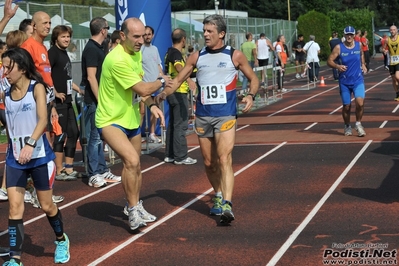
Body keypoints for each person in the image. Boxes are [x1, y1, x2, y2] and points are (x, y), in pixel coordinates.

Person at [156, 14, 259, 224]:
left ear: (221, 34)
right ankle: (219, 195)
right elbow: (177, 80)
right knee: (210, 163)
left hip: (226, 115)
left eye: (209, 31)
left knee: (224, 158)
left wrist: (250, 95)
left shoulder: (234, 55)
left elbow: (253, 78)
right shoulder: (196, 57)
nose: (205, 34)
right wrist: (162, 94)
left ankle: (227, 204)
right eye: (204, 31)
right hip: (203, 116)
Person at [95, 18, 171, 230]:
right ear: (122, 36)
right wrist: (163, 80)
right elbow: (144, 88)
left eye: (142, 35)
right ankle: (132, 210)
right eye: (135, 37)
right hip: (110, 119)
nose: (140, 40)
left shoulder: (136, 54)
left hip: (130, 118)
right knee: (130, 161)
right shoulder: (116, 59)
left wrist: (151, 106)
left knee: (136, 166)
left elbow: (138, 92)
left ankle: (135, 205)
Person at [1, 47, 70, 266]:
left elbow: (43, 120)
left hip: (39, 156)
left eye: (7, 67)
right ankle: (15, 259)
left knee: (47, 205)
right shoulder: (5, 92)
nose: (4, 72)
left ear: (21, 67)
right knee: (14, 208)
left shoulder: (37, 88)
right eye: (2, 67)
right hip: (14, 160)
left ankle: (61, 240)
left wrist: (30, 143)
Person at [20, 11, 65, 207]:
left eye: (49, 23)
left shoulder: (42, 47)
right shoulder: (28, 47)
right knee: (42, 150)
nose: (48, 26)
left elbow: (46, 78)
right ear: (34, 25)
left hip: (46, 102)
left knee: (43, 149)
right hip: (34, 105)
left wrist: (52, 104)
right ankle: (39, 193)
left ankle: (36, 191)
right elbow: (27, 77)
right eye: (44, 23)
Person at [81, 17, 121, 187]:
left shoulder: (98, 48)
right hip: (93, 100)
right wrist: (101, 100)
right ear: (103, 30)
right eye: (107, 28)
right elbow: (91, 77)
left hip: (99, 100)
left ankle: (102, 169)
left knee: (99, 137)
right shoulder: (91, 49)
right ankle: (93, 173)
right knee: (93, 138)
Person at [49, 25, 83, 181]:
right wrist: (54, 92)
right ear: (56, 38)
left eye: (68, 36)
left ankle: (69, 168)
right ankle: (59, 169)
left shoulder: (64, 53)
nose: (66, 39)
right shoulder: (52, 53)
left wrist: (79, 89)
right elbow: (45, 75)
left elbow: (67, 77)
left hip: (68, 100)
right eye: (63, 36)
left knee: (74, 133)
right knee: (60, 135)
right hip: (58, 102)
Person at [164, 28, 197, 165]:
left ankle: (170, 154)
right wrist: (188, 80)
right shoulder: (175, 53)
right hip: (178, 91)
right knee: (181, 124)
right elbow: (179, 68)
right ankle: (181, 156)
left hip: (173, 91)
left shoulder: (170, 52)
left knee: (173, 124)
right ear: (183, 39)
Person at [327, 26, 367, 137]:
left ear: (354, 35)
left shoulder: (358, 45)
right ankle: (347, 125)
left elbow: (361, 54)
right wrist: (337, 66)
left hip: (358, 80)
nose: (349, 36)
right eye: (347, 34)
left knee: (360, 103)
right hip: (344, 82)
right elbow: (329, 61)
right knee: (347, 106)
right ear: (344, 35)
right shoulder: (339, 48)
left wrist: (363, 64)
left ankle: (358, 124)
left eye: (351, 34)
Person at [141, 25, 163, 144]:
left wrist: (162, 76)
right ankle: (137, 134)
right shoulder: (140, 50)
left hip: (155, 85)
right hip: (144, 86)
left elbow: (158, 64)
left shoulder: (155, 49)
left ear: (152, 35)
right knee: (142, 112)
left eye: (149, 34)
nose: (147, 36)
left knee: (155, 110)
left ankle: (152, 133)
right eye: (145, 34)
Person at [383, 25, 399, 101]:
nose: (392, 31)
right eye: (391, 30)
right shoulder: (387, 40)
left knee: (397, 77)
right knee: (393, 79)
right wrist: (384, 51)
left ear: (396, 30)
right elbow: (383, 48)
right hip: (391, 61)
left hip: (398, 61)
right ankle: (397, 93)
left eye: (394, 30)